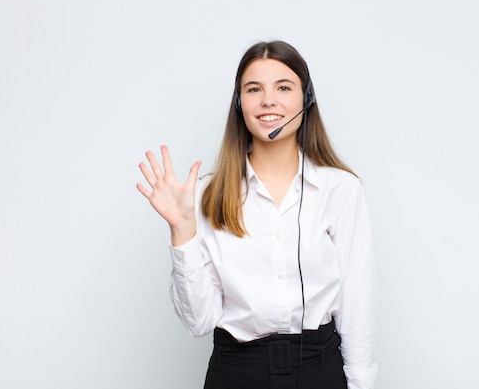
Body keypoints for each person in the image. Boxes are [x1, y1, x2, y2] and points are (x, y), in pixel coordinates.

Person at [137, 40, 377, 389]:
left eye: (283, 87)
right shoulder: (204, 195)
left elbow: (358, 310)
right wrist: (183, 230)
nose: (268, 100)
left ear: (306, 99)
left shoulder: (341, 190)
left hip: (318, 370)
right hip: (236, 371)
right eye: (254, 89)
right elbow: (199, 322)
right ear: (239, 103)